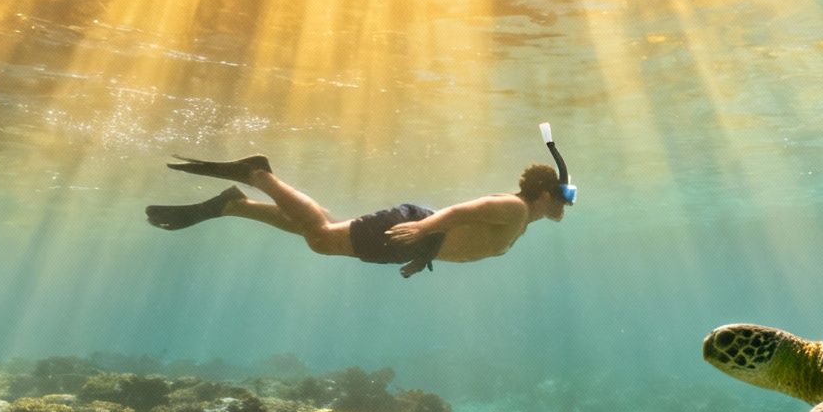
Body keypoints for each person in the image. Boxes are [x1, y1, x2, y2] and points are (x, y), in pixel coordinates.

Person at [145, 152, 570, 278]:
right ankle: (258, 175)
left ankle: (233, 205)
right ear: (547, 194)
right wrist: (424, 228)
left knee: (321, 232)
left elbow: (466, 230)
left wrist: (424, 255)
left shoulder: (519, 221)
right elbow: (463, 210)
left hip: (420, 240)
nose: (568, 203)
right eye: (565, 195)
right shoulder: (514, 208)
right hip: (415, 228)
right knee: (322, 238)